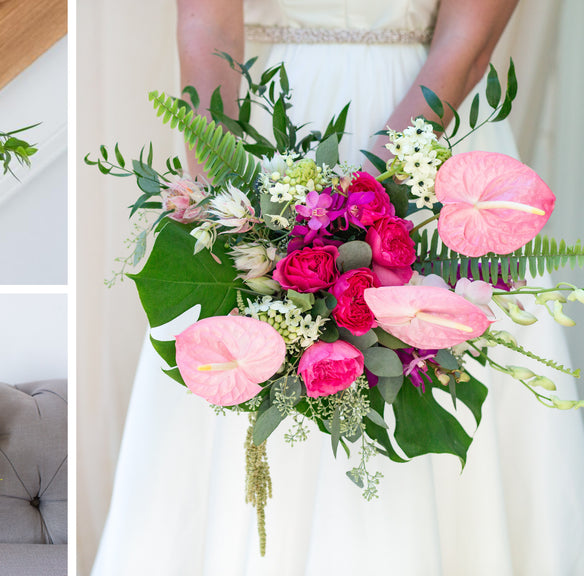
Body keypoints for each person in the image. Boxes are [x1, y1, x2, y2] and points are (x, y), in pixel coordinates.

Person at [91, 1, 584, 574]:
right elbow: (206, 26)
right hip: (278, 132)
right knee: (239, 367)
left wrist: (364, 214)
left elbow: (468, 48)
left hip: (431, 136)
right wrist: (223, 202)